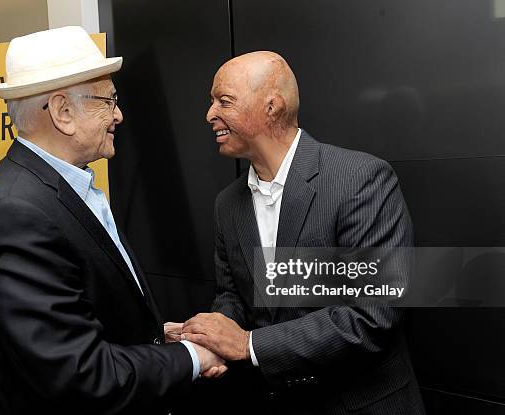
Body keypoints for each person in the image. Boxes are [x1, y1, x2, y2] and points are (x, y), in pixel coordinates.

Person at [0, 26, 225, 415]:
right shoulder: (17, 213)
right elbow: (79, 374)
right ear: (64, 112)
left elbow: (79, 314)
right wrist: (192, 357)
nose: (118, 115)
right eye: (108, 101)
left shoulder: (59, 189)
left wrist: (151, 335)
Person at [179, 51, 426, 414]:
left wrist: (248, 344)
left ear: (272, 106)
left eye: (224, 101)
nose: (210, 114)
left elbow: (372, 316)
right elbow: (233, 294)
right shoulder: (227, 204)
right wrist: (207, 337)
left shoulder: (361, 180)